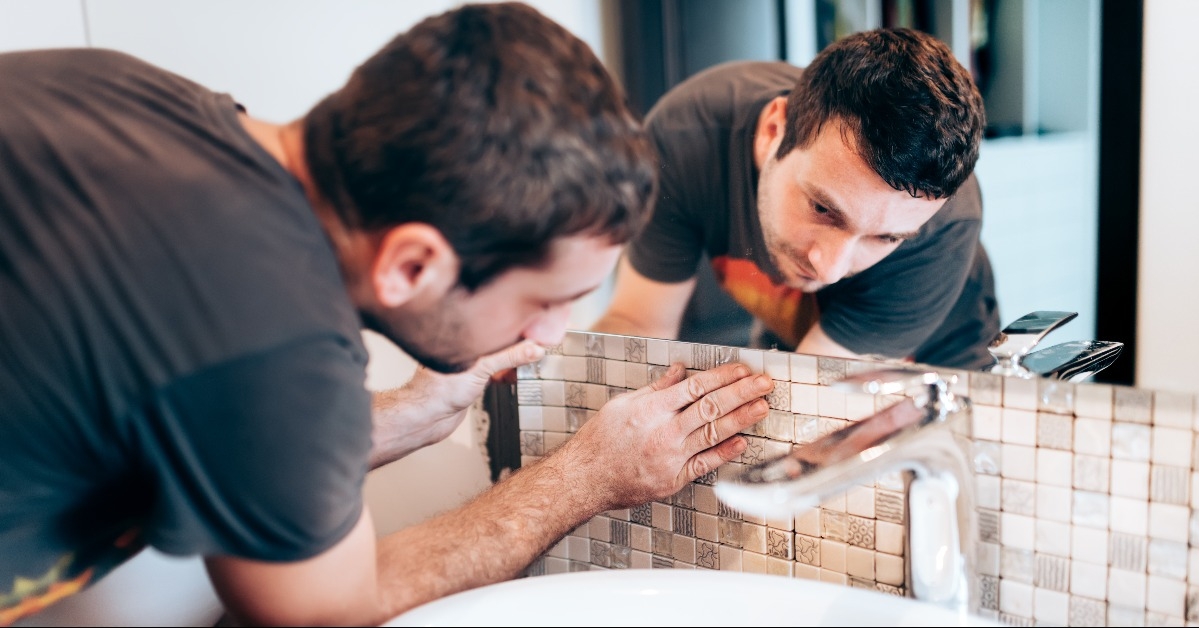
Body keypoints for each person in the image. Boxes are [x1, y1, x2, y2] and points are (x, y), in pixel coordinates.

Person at [0, 3, 776, 625]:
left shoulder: (138, 94)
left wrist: (403, 415)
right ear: (413, 265)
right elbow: (324, 609)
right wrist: (587, 477)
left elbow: (224, 428)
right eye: (546, 302)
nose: (546, 335)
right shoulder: (273, 337)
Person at [590, 27, 1000, 370]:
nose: (831, 268)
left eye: (886, 239)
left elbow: (815, 405)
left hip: (939, 365)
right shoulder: (684, 142)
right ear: (773, 130)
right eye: (823, 209)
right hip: (788, 335)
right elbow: (637, 327)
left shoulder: (942, 227)